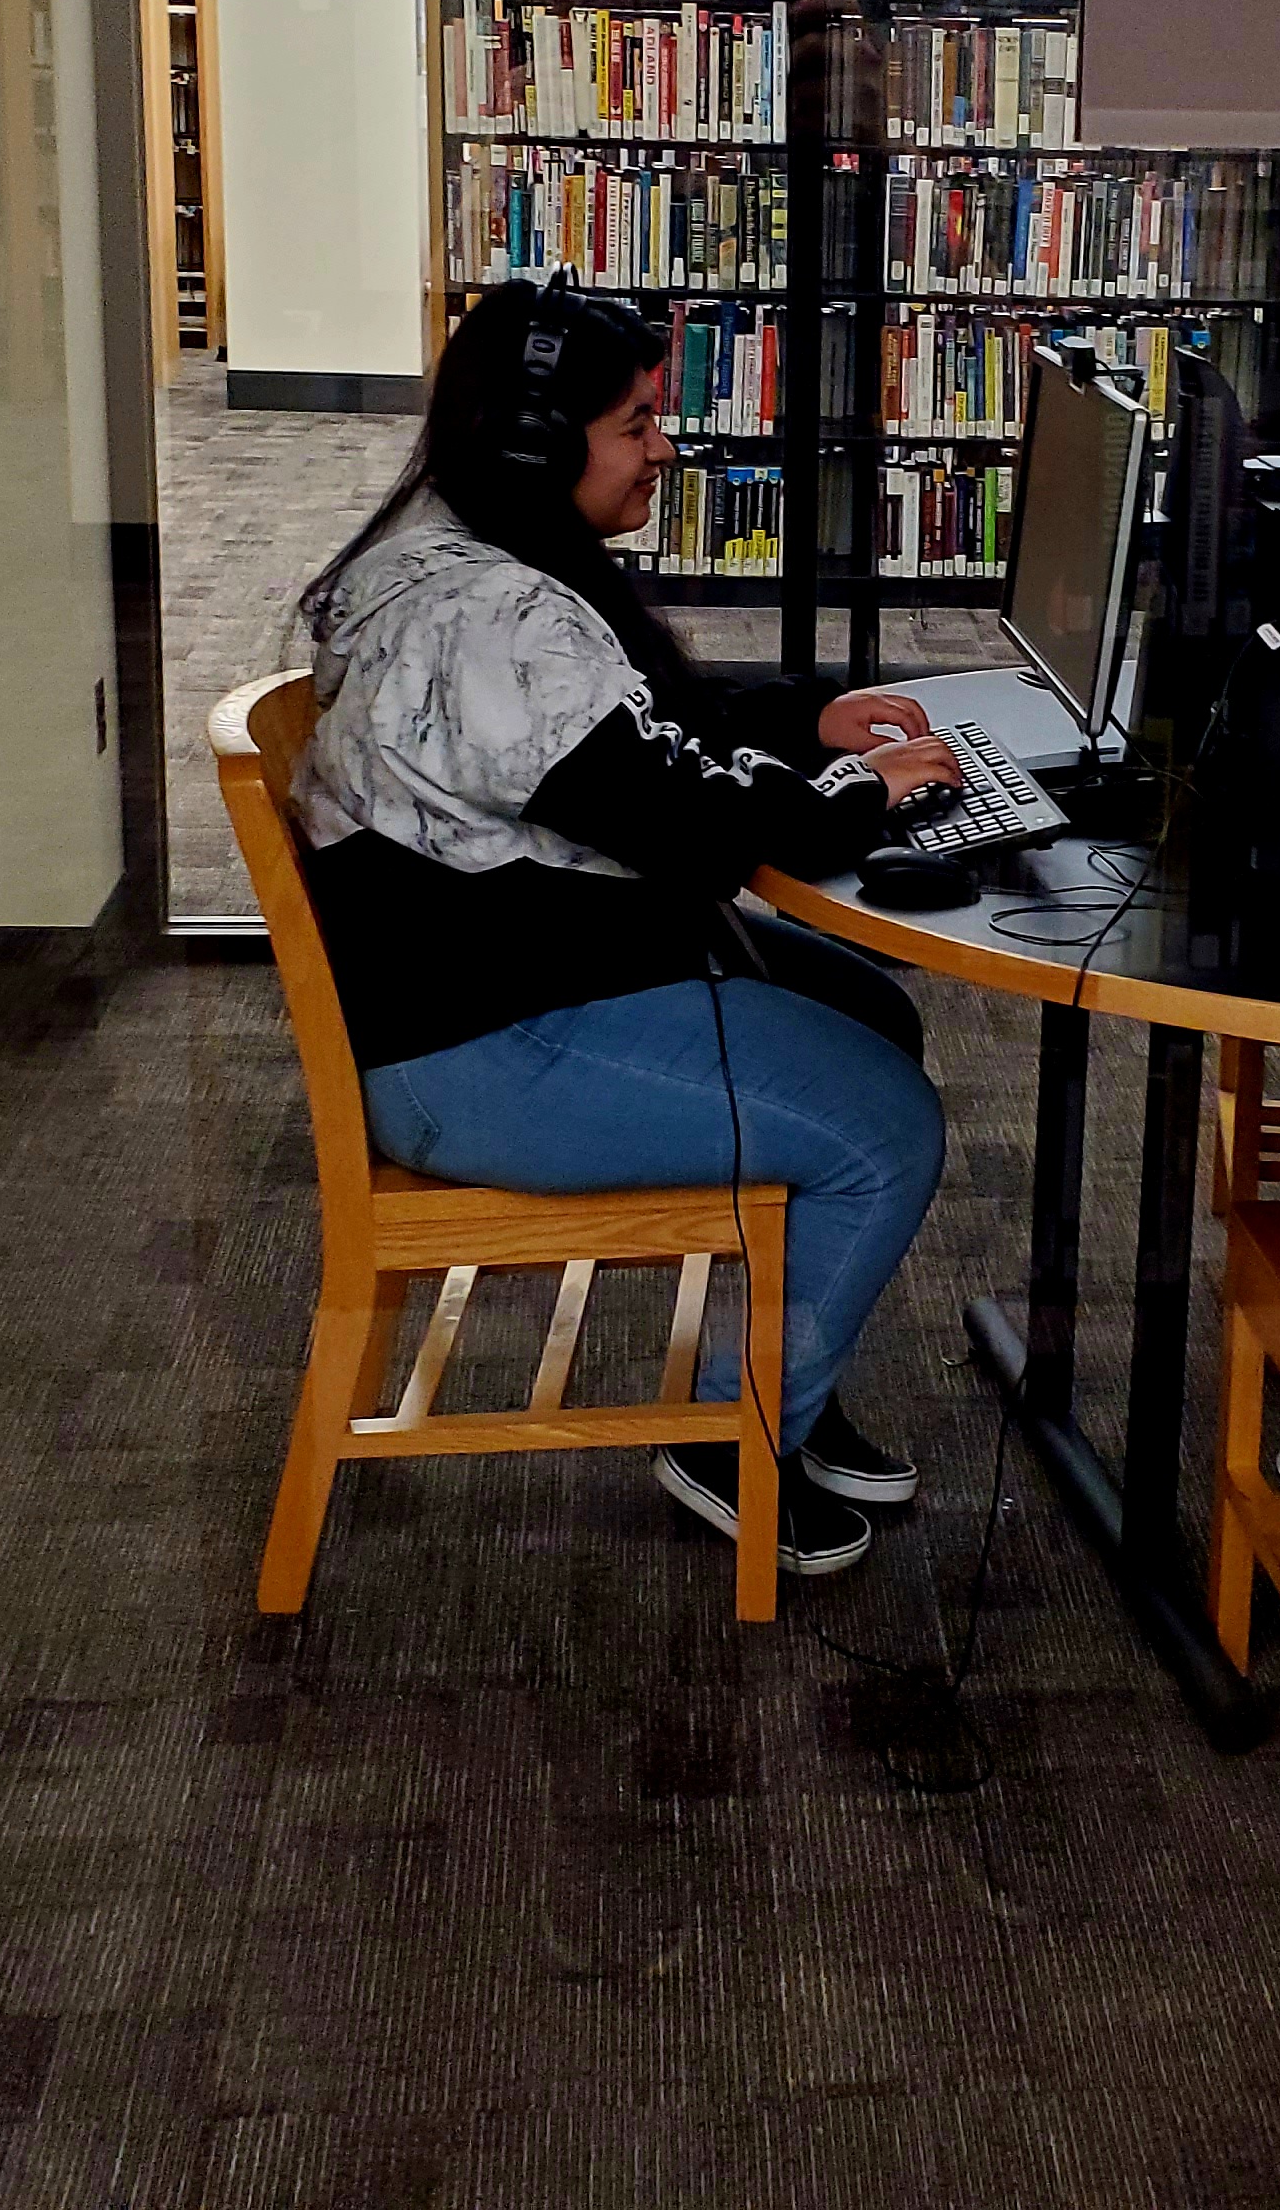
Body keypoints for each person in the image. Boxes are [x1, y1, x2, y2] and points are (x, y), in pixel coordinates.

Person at [290, 274, 963, 1577]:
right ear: (545, 447)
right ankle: (729, 1437)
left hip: (488, 979)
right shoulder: (488, 621)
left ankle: (782, 1385)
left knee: (869, 1012)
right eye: (639, 424)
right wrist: (855, 799)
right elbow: (688, 828)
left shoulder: (471, 548)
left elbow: (645, 729)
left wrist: (811, 719)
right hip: (477, 1048)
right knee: (887, 1130)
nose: (664, 449)